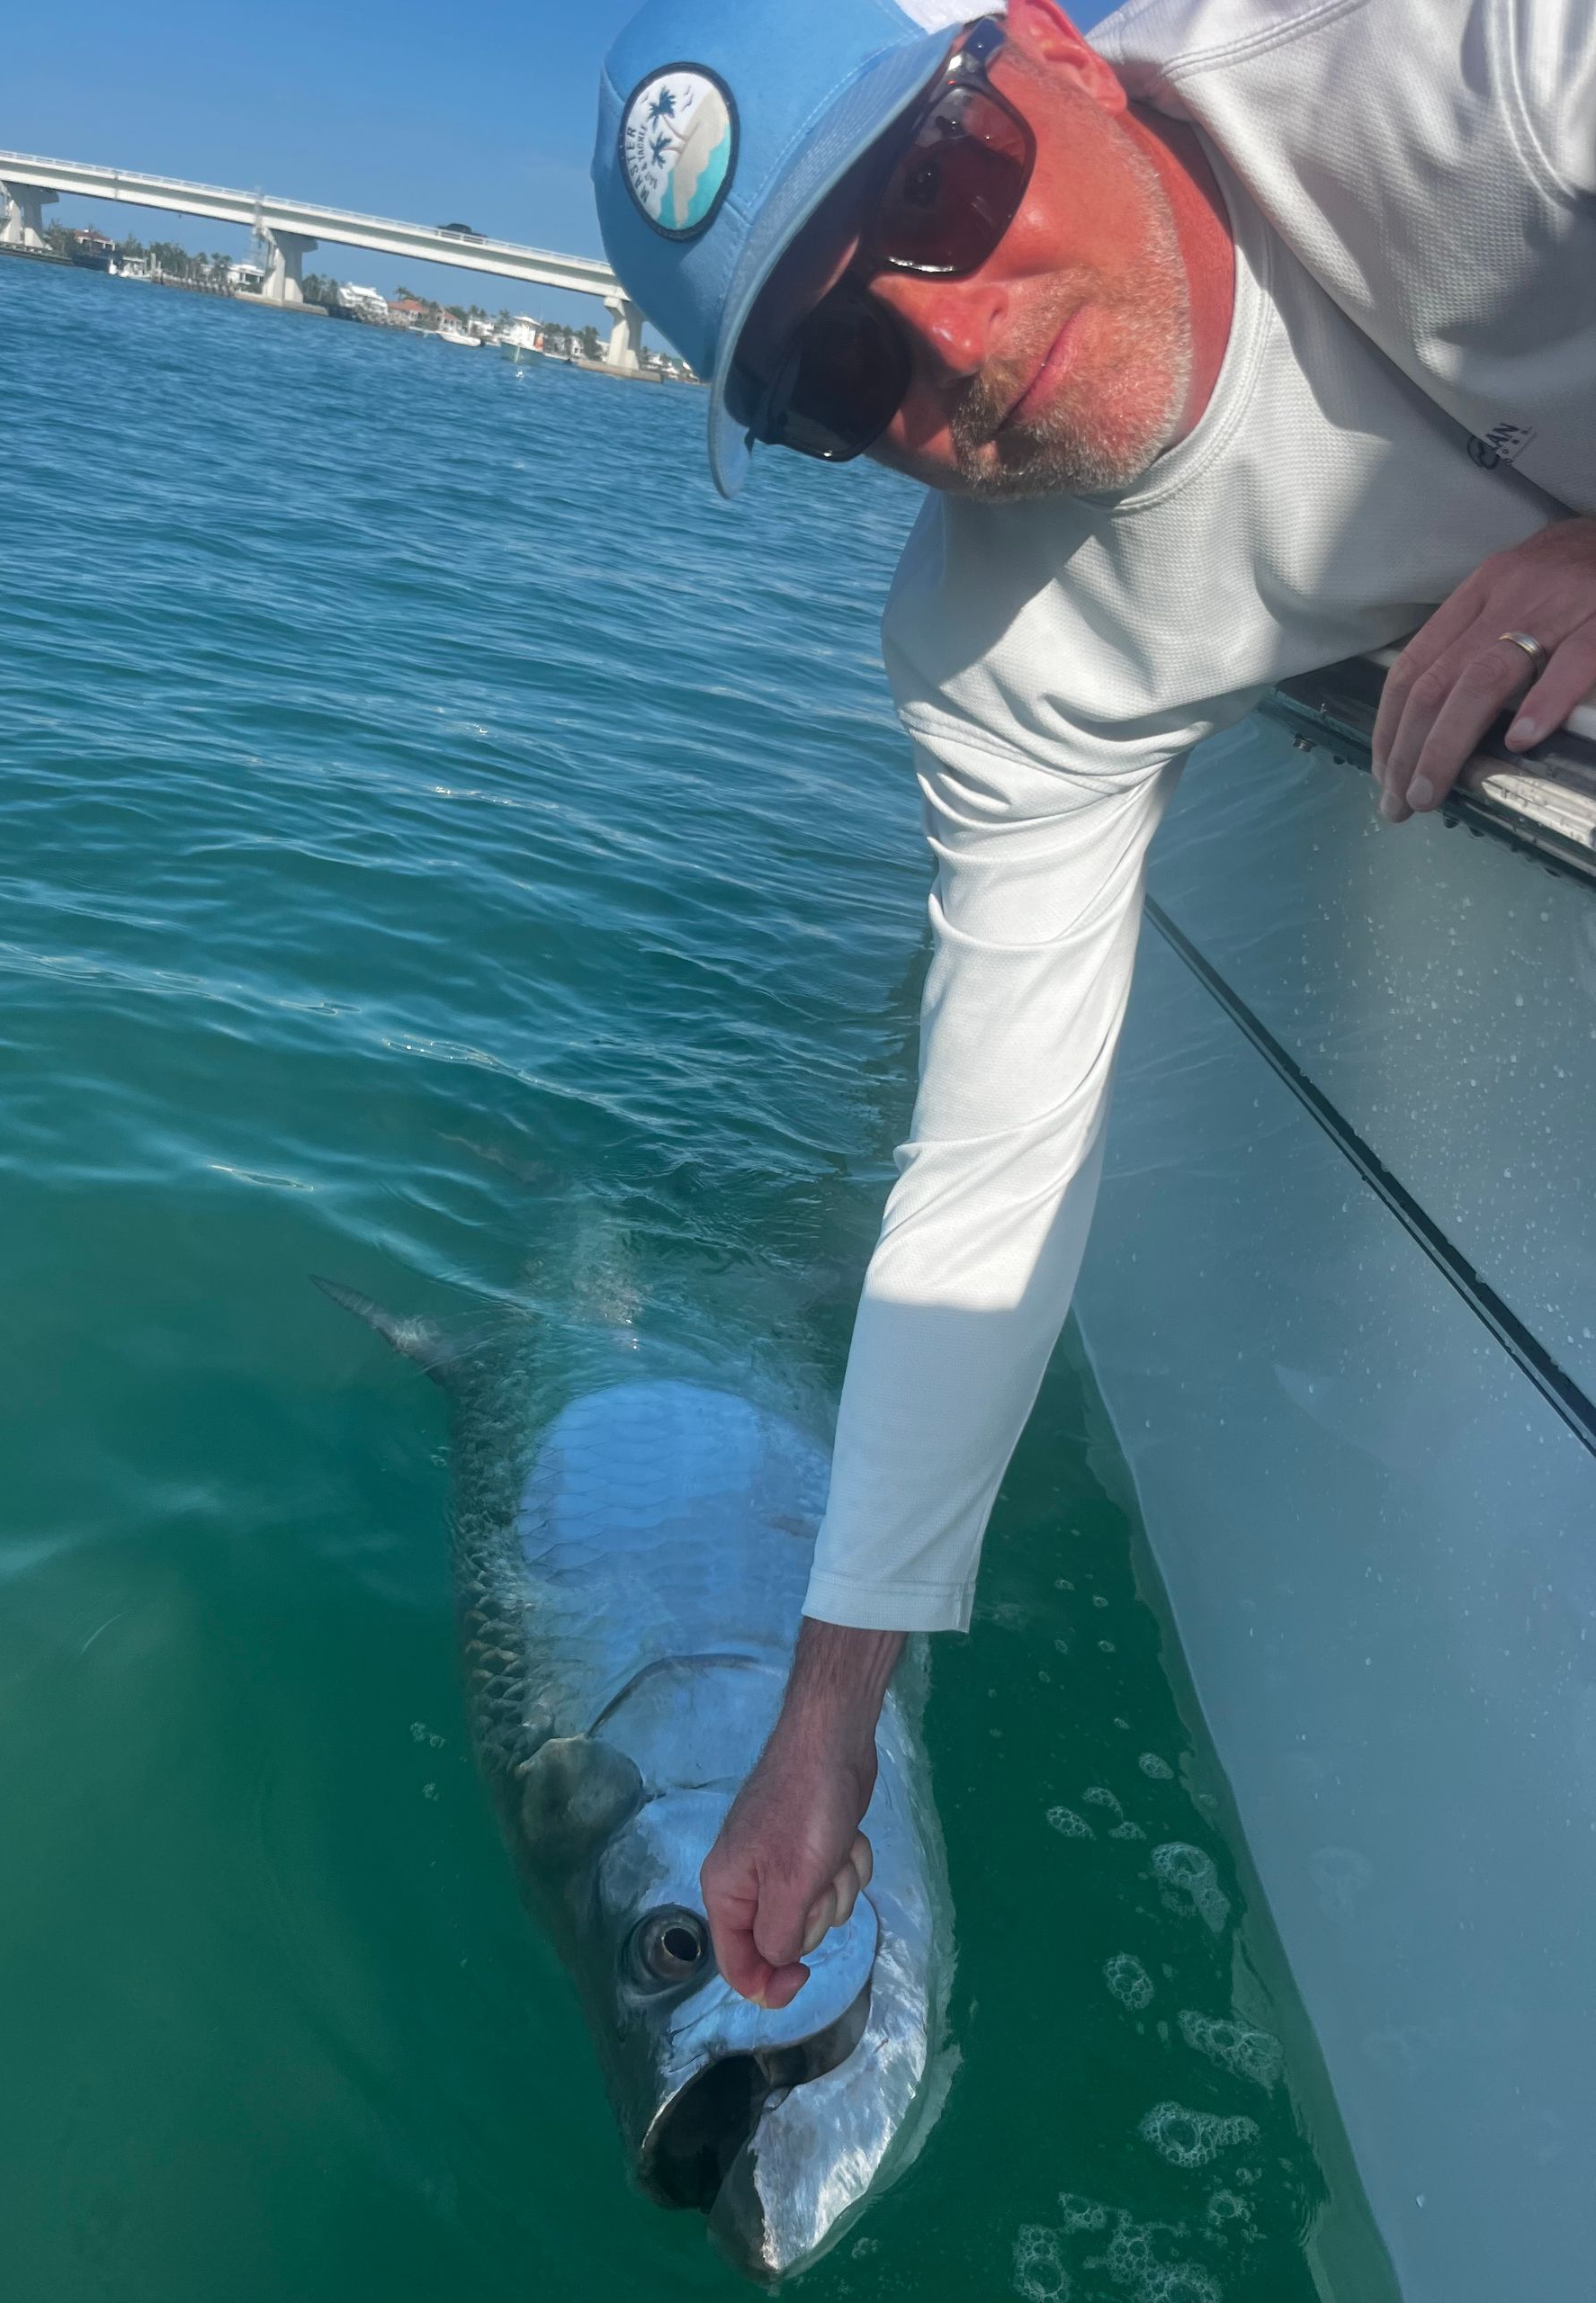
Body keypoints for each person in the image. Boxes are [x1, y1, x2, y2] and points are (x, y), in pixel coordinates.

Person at [590, 0, 1596, 2009]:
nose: (948, 346)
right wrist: (822, 1723)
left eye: (938, 190)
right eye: (839, 367)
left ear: (1051, 43)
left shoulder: (1448, 54)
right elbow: (987, 1176)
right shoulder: (989, 650)